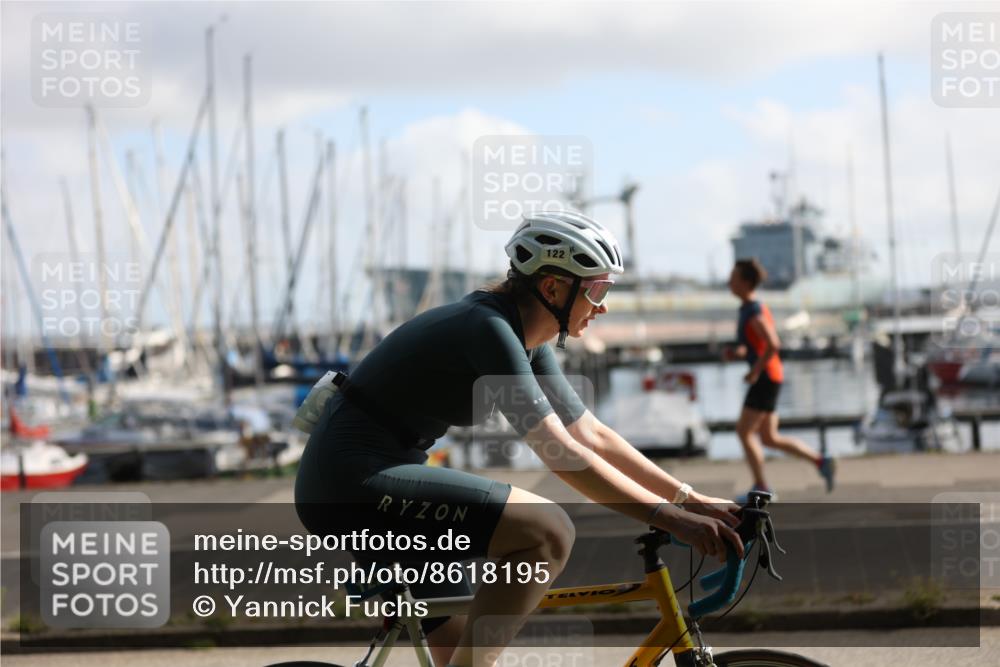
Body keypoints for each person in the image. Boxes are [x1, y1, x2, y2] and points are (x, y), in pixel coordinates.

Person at [295, 210, 744, 667]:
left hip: (374, 479)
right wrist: (672, 519)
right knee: (546, 530)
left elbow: (591, 434)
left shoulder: (526, 339)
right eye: (596, 288)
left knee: (462, 649)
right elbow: (561, 452)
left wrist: (689, 500)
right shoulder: (487, 329)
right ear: (552, 287)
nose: (603, 304)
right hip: (351, 482)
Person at [723, 258, 836, 499]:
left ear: (745, 282)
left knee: (744, 432)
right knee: (769, 437)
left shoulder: (753, 310)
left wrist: (754, 371)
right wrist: (740, 353)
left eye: (733, 277)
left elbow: (773, 344)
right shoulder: (751, 307)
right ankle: (820, 461)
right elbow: (758, 344)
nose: (728, 281)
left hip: (765, 377)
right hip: (772, 375)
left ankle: (762, 488)